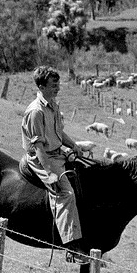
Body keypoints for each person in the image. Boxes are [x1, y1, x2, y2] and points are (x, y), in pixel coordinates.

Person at [21, 66, 90, 262]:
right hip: (42, 158)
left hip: (57, 153)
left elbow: (59, 132)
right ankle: (71, 246)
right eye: (53, 85)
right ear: (41, 86)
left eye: (58, 84)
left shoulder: (53, 104)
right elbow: (39, 148)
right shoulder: (35, 111)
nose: (58, 88)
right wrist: (50, 173)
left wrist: (73, 145)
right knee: (65, 194)